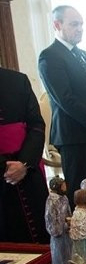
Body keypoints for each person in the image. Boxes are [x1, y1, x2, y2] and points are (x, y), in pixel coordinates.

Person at [38, 5, 86, 210]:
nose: (80, 28)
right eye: (74, 24)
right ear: (57, 25)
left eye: (81, 24)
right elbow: (66, 99)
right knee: (80, 195)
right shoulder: (50, 56)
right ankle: (80, 230)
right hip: (73, 136)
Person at [0, 67, 50, 243]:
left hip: (28, 170)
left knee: (42, 233)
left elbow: (36, 125)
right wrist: (4, 167)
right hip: (3, 175)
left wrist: (24, 163)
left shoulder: (18, 80)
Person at [45, 176, 72, 264]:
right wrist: (61, 226)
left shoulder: (64, 198)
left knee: (69, 253)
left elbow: (68, 212)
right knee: (59, 254)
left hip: (66, 231)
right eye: (63, 186)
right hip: (58, 233)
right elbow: (51, 218)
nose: (65, 187)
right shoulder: (52, 200)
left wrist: (69, 222)